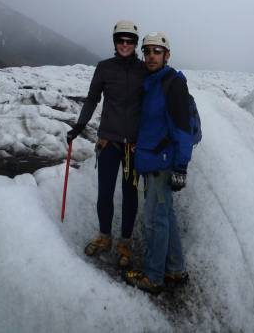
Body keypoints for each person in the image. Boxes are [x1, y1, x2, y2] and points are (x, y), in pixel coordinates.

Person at [66, 20, 147, 267]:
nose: (124, 45)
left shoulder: (145, 70)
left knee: (131, 194)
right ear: (115, 42)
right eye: (120, 40)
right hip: (109, 142)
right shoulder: (104, 68)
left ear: (135, 44)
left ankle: (125, 242)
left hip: (133, 145)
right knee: (105, 193)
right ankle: (104, 237)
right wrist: (80, 125)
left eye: (129, 41)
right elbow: (92, 99)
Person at [123, 32, 193, 294]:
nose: (151, 56)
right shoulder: (152, 82)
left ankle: (153, 277)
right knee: (166, 217)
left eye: (157, 51)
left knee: (155, 220)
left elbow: (182, 129)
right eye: (148, 51)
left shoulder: (172, 84)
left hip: (162, 165)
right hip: (151, 159)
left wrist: (181, 167)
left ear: (167, 55)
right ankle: (175, 269)